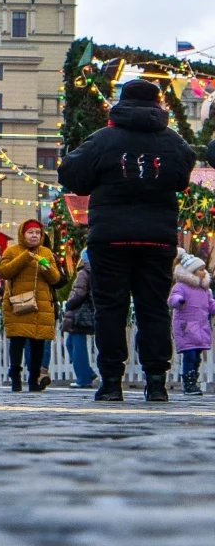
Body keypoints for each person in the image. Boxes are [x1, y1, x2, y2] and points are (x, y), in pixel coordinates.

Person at [60, 79, 199, 402]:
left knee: (110, 309)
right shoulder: (173, 142)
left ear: (122, 103)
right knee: (153, 309)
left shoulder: (103, 139)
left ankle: (110, 382)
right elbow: (182, 175)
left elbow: (71, 174)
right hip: (157, 239)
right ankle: (156, 382)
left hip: (110, 239)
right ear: (159, 105)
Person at [0, 218, 60, 393]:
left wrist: (45, 266)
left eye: (38, 233)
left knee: (38, 343)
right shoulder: (12, 251)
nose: (34, 236)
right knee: (17, 341)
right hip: (18, 304)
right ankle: (16, 378)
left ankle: (34, 380)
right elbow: (4, 272)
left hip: (40, 305)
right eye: (30, 232)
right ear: (23, 234)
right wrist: (25, 257)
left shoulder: (46, 252)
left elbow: (55, 278)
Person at [169, 255, 214, 396]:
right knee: (190, 355)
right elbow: (172, 299)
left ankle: (193, 380)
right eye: (200, 270)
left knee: (197, 356)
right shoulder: (181, 286)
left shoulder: (204, 289)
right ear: (192, 271)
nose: (204, 272)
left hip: (200, 326)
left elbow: (210, 303)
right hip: (186, 326)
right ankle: (188, 382)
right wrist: (178, 301)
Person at [62, 253, 97, 390]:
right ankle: (87, 372)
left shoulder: (84, 272)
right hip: (88, 312)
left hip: (80, 313)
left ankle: (83, 378)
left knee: (77, 346)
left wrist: (69, 304)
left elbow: (79, 293)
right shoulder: (95, 270)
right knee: (71, 343)